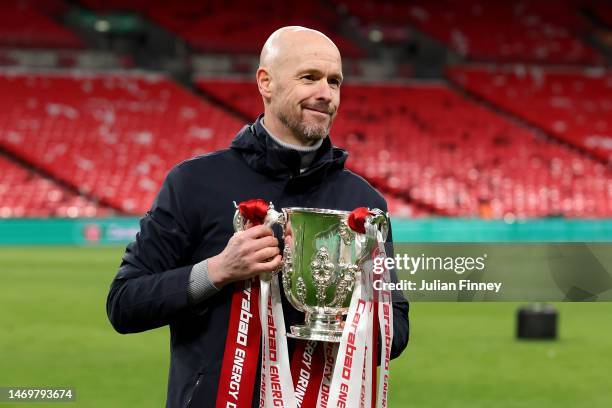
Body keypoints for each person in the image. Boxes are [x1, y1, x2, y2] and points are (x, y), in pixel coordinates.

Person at [106, 26, 409, 408]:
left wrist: (346, 304)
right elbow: (124, 304)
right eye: (309, 77)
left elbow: (396, 328)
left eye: (335, 82)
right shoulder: (195, 183)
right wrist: (216, 271)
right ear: (266, 82)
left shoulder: (364, 204)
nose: (325, 93)